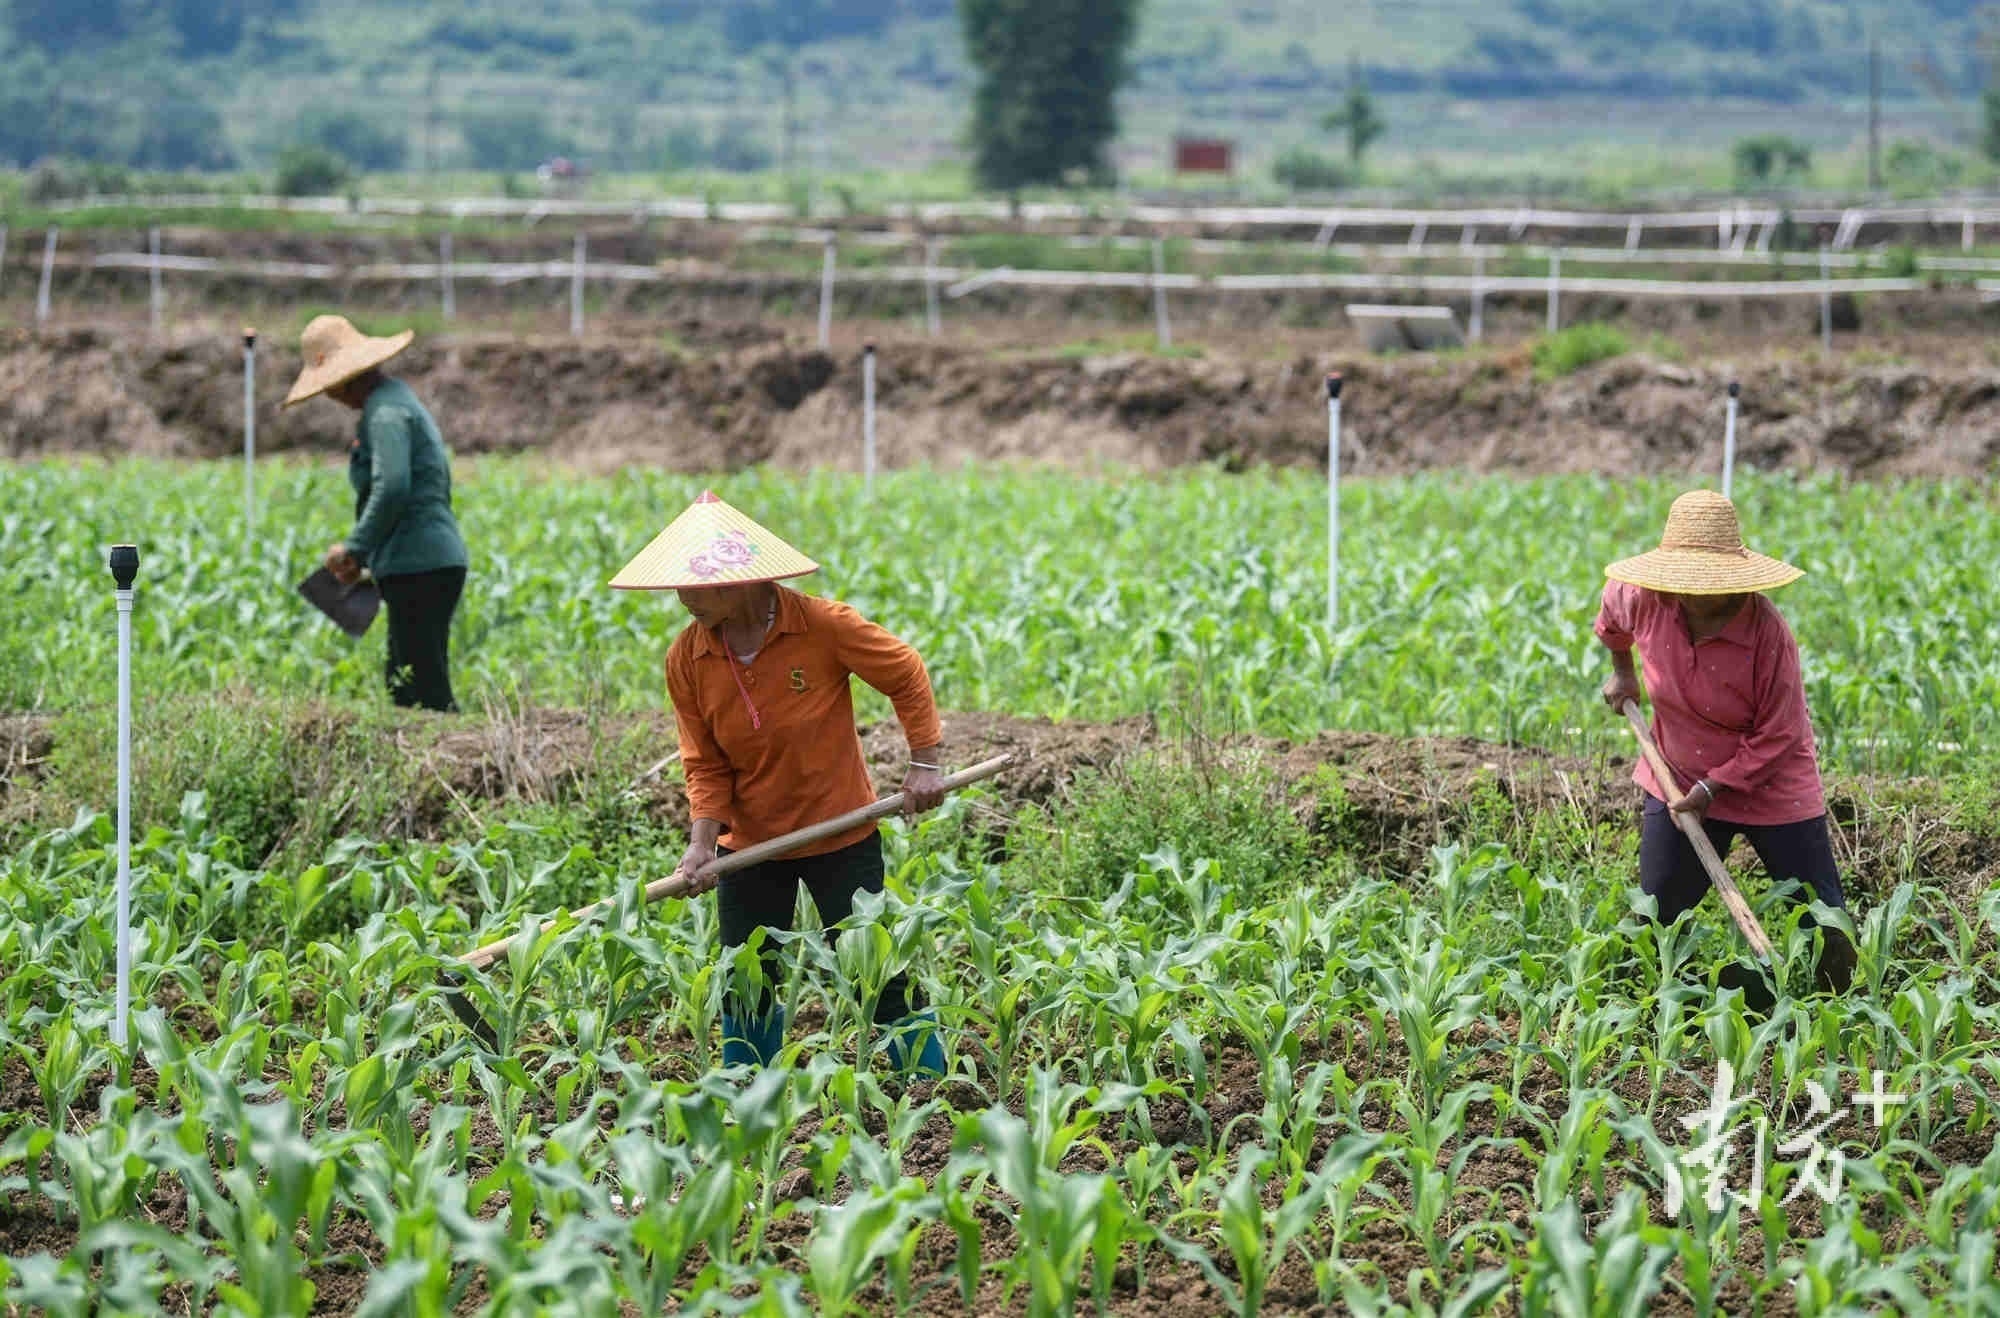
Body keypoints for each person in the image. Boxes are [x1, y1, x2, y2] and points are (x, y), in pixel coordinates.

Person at [610, 491, 949, 1073]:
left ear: (744, 580)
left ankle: (930, 1085)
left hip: (840, 831)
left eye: (699, 585)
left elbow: (905, 672)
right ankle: (747, 1092)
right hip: (748, 847)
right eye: (679, 586)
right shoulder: (687, 657)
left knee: (876, 967)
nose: (684, 598)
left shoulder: (821, 626)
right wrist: (699, 845)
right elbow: (705, 761)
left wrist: (925, 763)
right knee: (747, 978)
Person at [1596, 489, 1855, 995]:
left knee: (1824, 920)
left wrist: (1715, 789)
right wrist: (1623, 675)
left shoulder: (1767, 636)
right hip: (1676, 774)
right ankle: (1670, 1009)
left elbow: (1780, 732)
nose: (1692, 595)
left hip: (1772, 782)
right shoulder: (1643, 597)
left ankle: (1839, 1012)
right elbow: (1611, 621)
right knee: (1659, 915)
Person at [284, 315, 469, 713]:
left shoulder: (385, 415)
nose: (328, 395)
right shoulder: (394, 403)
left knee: (422, 690)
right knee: (407, 682)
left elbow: (394, 487)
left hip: (421, 565)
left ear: (344, 378)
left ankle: (453, 767)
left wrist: (355, 548)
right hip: (421, 562)